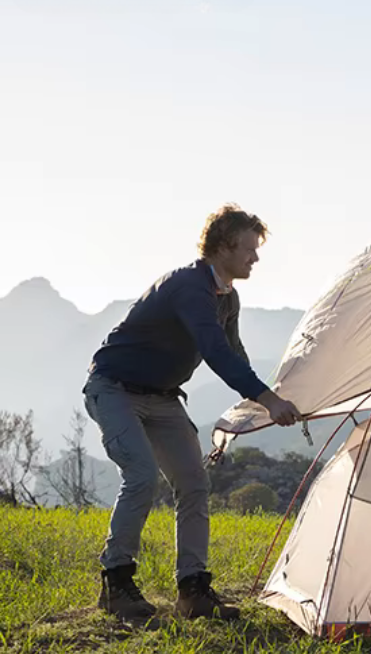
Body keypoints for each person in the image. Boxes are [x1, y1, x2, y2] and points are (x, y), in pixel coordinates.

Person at [83, 204, 302, 624]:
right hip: (113, 389)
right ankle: (116, 580)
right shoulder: (188, 286)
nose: (255, 258)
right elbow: (215, 350)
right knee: (141, 476)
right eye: (249, 249)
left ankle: (193, 590)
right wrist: (268, 399)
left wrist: (263, 399)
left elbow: (234, 351)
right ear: (223, 246)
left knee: (193, 482)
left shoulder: (227, 297)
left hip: (163, 397)